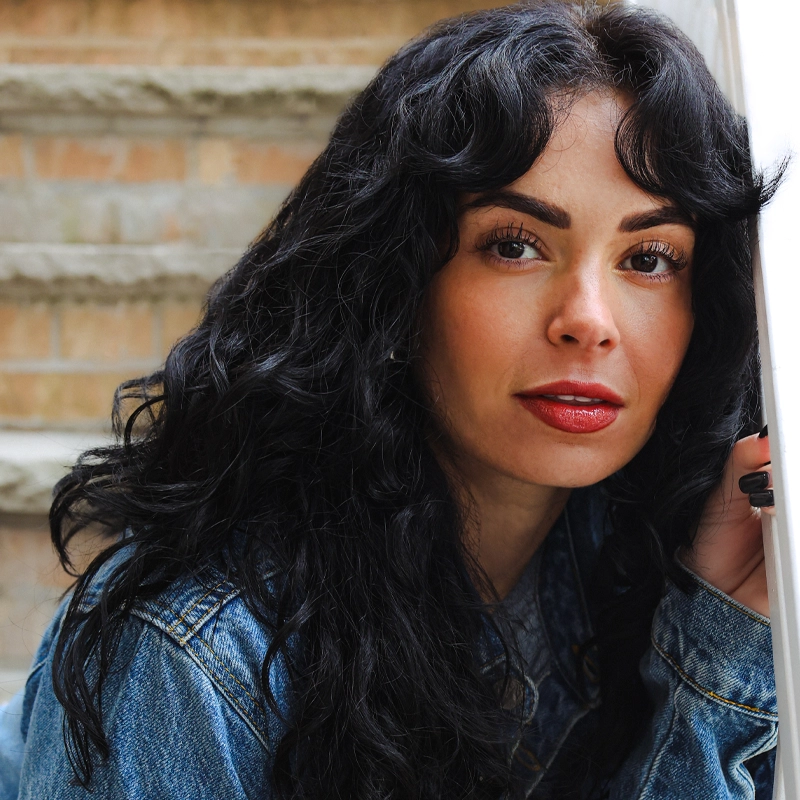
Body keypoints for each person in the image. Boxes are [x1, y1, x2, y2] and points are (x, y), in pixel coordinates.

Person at [0, 2, 782, 798]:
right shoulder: (191, 653)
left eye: (649, 257)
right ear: (397, 282)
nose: (587, 320)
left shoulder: (637, 553)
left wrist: (715, 654)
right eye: (514, 245)